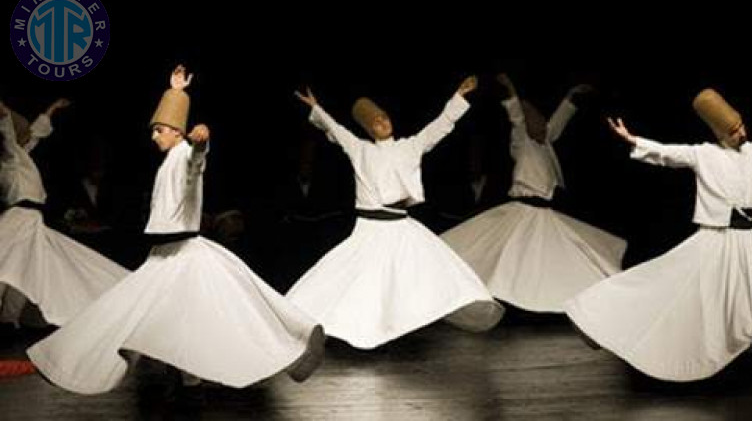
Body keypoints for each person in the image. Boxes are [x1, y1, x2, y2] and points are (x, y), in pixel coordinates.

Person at [28, 65, 324, 394]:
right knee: (134, 310)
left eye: (159, 130)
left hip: (184, 253)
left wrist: (201, 141)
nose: (154, 135)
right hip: (163, 253)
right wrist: (178, 92)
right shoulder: (168, 158)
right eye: (154, 130)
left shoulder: (183, 154)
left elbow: (196, 164)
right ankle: (137, 365)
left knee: (172, 313)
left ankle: (174, 370)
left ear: (175, 133)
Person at [565, 88, 752, 381]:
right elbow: (668, 153)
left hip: (750, 240)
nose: (741, 133)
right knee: (688, 290)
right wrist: (633, 140)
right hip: (718, 239)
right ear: (721, 133)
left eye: (741, 126)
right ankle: (609, 314)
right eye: (734, 130)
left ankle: (747, 340)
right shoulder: (705, 154)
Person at [288, 75, 504, 349]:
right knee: (349, 275)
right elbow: (336, 129)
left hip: (401, 227)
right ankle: (312, 319)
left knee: (437, 268)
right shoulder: (360, 149)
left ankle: (418, 316)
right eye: (376, 122)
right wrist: (316, 109)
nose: (383, 122)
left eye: (385, 118)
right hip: (371, 229)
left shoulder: (409, 146)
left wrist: (459, 96)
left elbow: (439, 126)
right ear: (368, 129)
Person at [441, 73, 626, 313]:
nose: (541, 127)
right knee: (506, 255)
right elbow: (516, 116)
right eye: (536, 123)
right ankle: (489, 296)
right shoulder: (522, 141)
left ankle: (565, 298)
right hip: (523, 210)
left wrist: (571, 96)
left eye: (543, 124)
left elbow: (560, 120)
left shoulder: (545, 142)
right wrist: (510, 90)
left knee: (556, 255)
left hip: (544, 213)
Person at [0, 98, 127, 328]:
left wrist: (51, 109)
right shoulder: (10, 156)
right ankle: (8, 320)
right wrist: (4, 113)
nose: (28, 137)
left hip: (31, 219)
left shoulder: (21, 153)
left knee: (22, 269)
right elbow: (8, 131)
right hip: (17, 216)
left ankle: (9, 321)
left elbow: (35, 134)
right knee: (7, 265)